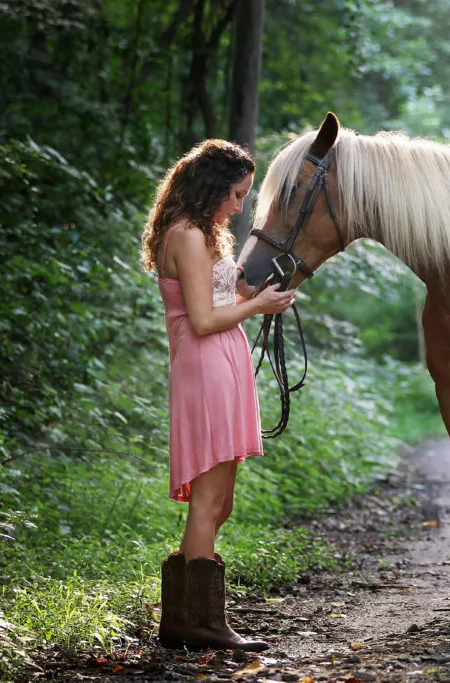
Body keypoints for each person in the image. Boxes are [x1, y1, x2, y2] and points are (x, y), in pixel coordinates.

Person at [140, 139, 294, 652]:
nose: (240, 205)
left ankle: (184, 615)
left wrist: (264, 296)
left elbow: (225, 294)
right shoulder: (184, 236)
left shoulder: (210, 233)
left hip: (224, 363)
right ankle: (199, 623)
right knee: (207, 502)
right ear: (211, 188)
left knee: (220, 502)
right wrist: (256, 309)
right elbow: (203, 320)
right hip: (205, 364)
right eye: (236, 193)